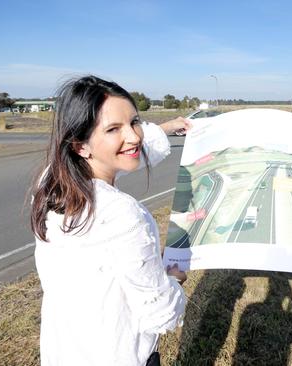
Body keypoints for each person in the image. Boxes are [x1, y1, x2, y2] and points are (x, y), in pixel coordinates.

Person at [30, 75, 192, 365]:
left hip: (64, 352)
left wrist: (167, 127)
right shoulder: (121, 214)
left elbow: (121, 155)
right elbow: (161, 313)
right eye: (113, 128)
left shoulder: (51, 182)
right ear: (80, 145)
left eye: (135, 121)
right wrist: (175, 276)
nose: (134, 136)